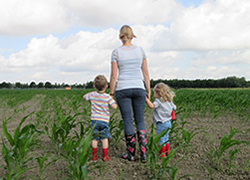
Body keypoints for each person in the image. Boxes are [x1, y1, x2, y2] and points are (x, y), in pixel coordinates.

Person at [109, 25, 151, 163]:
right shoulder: (140, 50)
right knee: (140, 120)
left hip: (122, 88)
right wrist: (148, 90)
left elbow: (114, 75)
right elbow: (145, 72)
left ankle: (131, 154)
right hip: (139, 88)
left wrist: (111, 92)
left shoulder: (116, 52)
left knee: (127, 120)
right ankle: (144, 153)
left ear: (121, 36)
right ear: (132, 36)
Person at [83, 75, 117, 161]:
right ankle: (105, 156)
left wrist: (91, 97)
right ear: (106, 86)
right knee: (104, 138)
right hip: (104, 121)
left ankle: (94, 156)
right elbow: (114, 107)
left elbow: (84, 97)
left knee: (95, 138)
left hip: (94, 120)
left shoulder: (92, 95)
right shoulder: (107, 97)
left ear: (94, 86)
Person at [145, 82, 176, 157]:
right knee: (166, 137)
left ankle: (162, 154)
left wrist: (146, 99)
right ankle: (167, 151)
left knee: (161, 138)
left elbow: (152, 106)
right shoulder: (169, 101)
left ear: (158, 93)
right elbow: (174, 108)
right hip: (168, 122)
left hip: (161, 122)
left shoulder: (158, 101)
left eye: (154, 92)